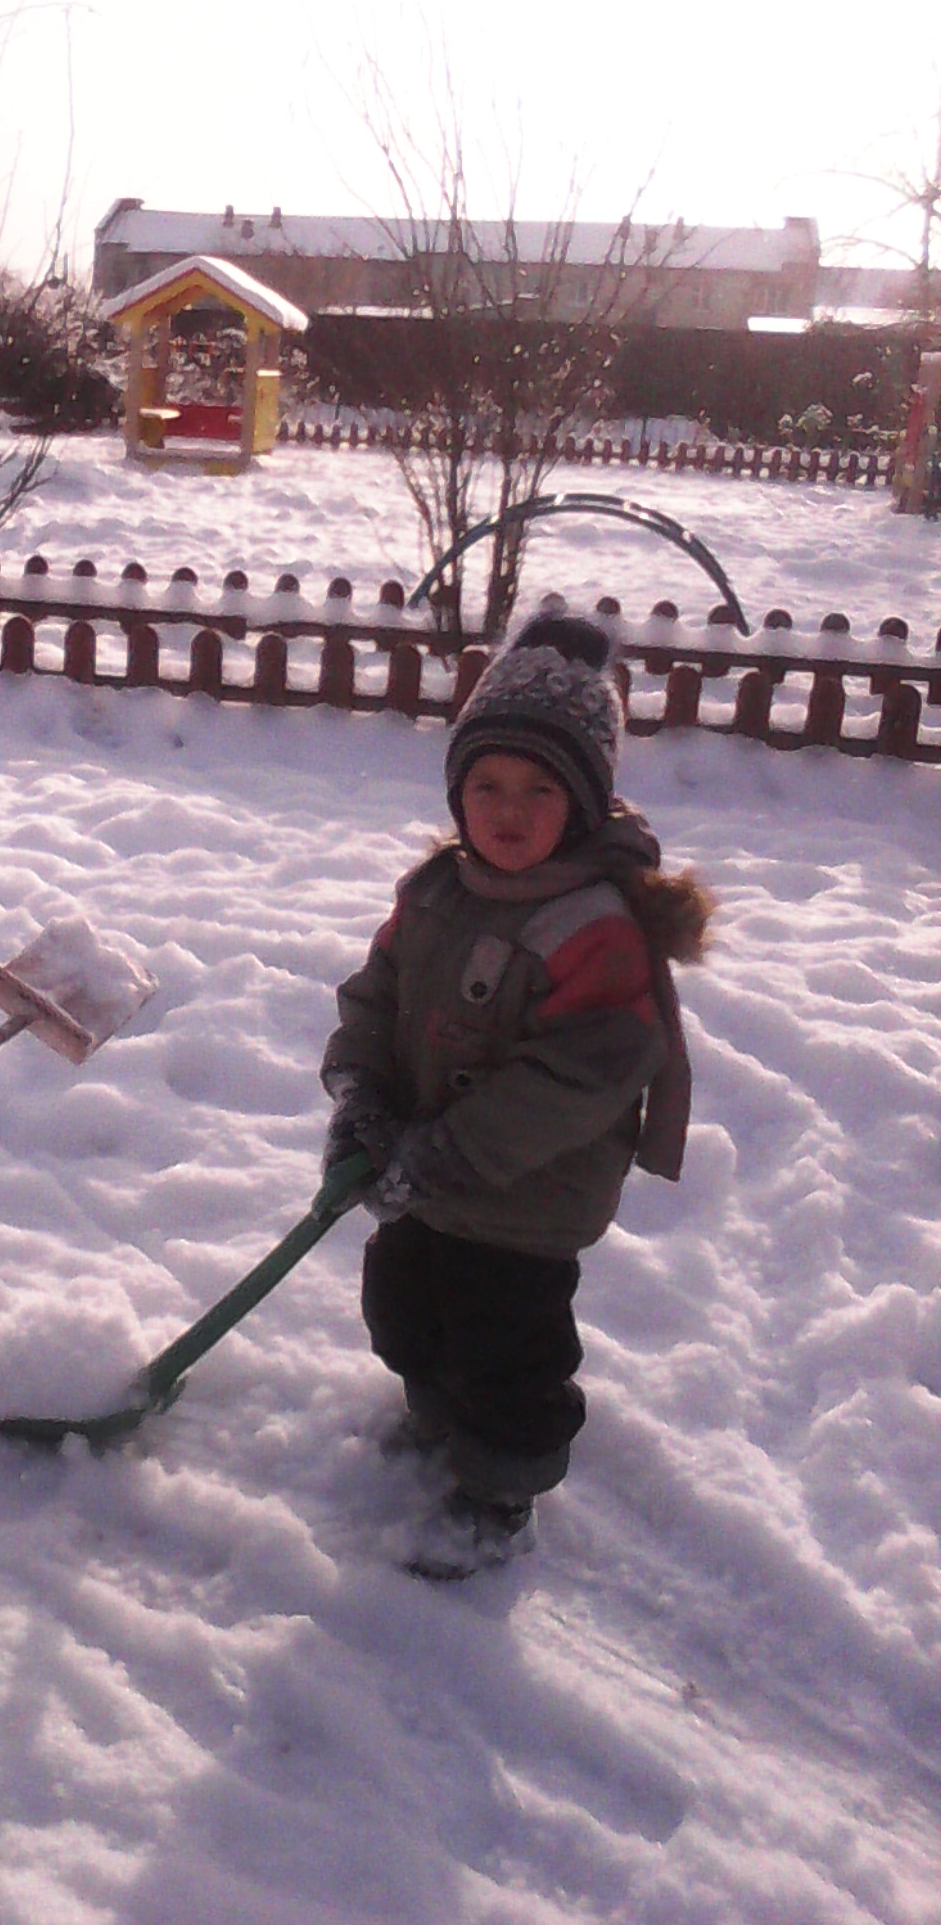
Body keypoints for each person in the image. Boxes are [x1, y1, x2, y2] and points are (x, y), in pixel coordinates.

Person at [320, 608, 712, 1579]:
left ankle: (498, 1490)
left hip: (523, 1198)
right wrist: (360, 1093)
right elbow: (376, 994)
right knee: (403, 1306)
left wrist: (450, 1153)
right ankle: (434, 1412)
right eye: (486, 784)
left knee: (506, 1349)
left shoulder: (594, 927)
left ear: (583, 803)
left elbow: (582, 1073)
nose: (509, 809)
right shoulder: (436, 891)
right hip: (418, 1167)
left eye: (541, 789)